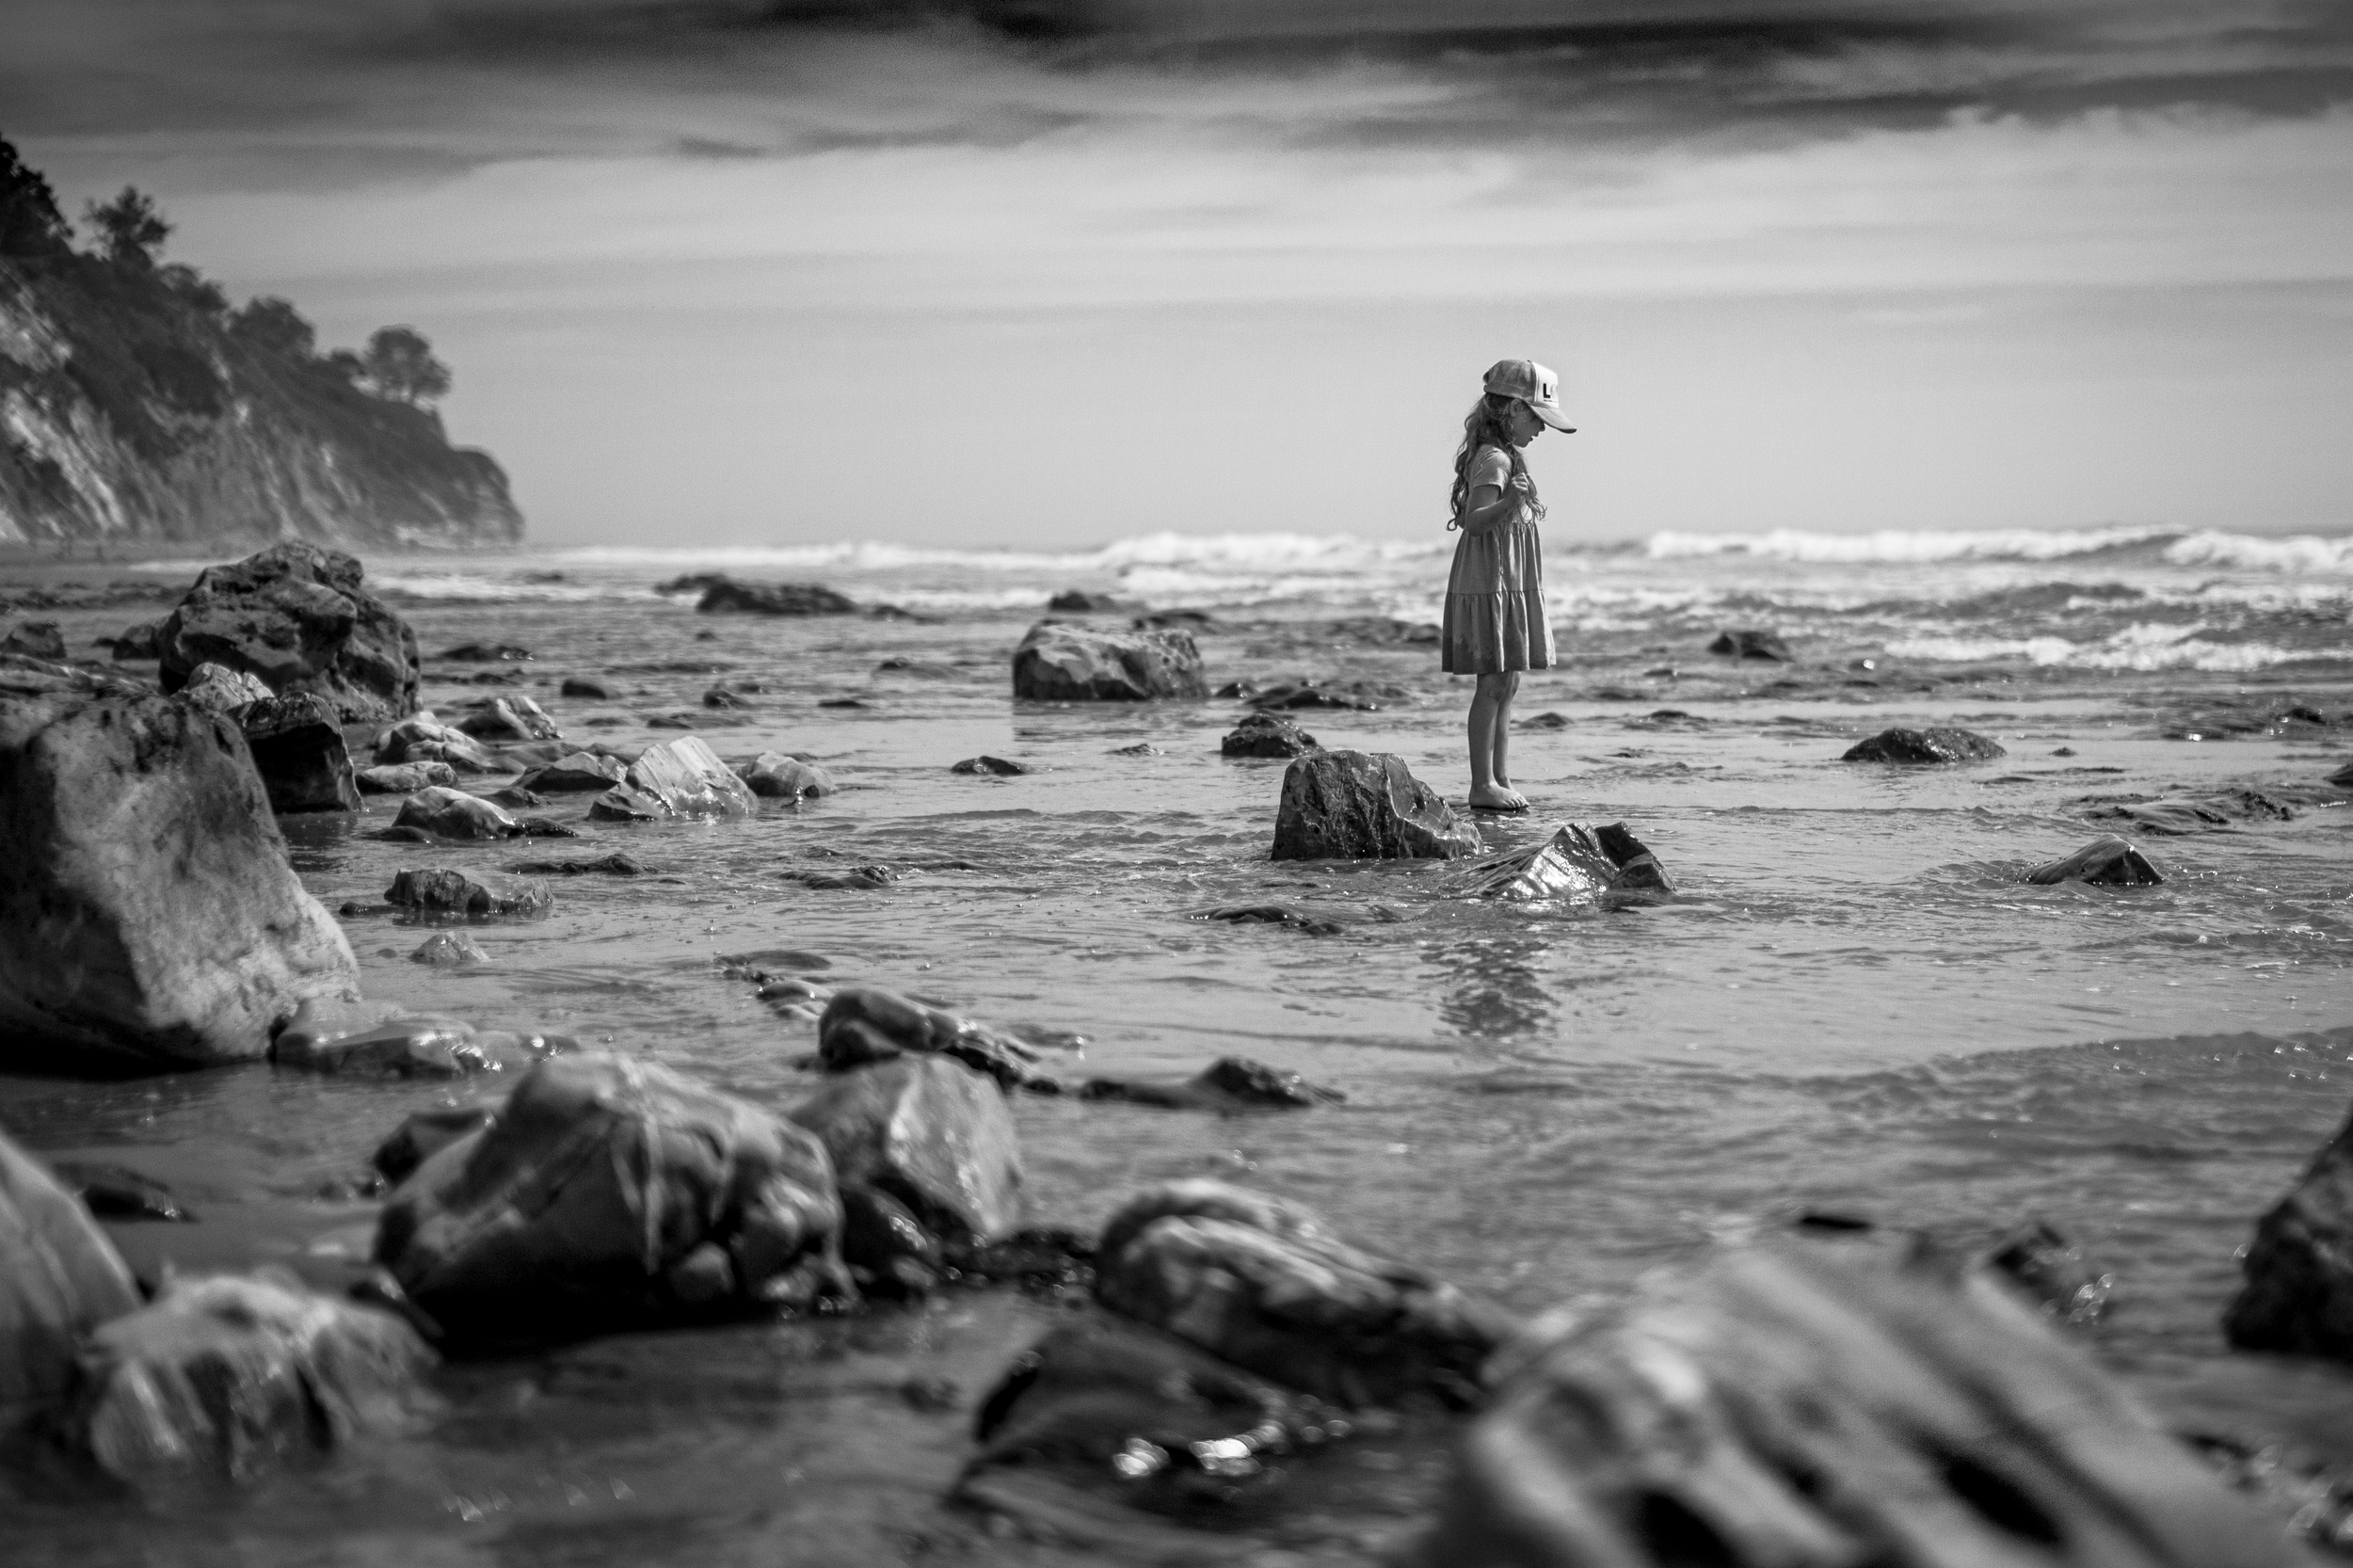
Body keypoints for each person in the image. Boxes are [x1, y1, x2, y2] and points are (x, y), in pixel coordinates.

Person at [1443, 358, 1574, 811]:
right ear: (1514, 410)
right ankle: (1481, 784)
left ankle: (1499, 775)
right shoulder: (1494, 459)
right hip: (1490, 584)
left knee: (1508, 683)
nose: (1541, 430)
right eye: (1538, 419)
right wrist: (1513, 500)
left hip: (1508, 582)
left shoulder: (1508, 455)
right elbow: (1474, 523)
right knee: (1493, 684)